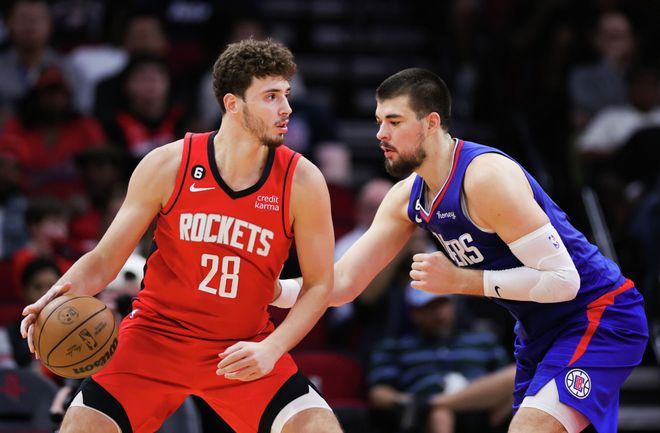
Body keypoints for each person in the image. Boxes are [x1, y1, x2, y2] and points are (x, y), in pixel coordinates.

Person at [275, 68, 648, 433]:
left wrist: (460, 280)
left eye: (394, 121)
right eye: (378, 122)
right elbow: (342, 283)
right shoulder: (406, 197)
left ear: (431, 123)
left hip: (598, 313)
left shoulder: (485, 178)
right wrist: (273, 290)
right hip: (538, 331)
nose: (381, 134)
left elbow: (564, 281)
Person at [21, 38, 342, 433]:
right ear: (233, 104)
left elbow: (320, 284)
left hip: (242, 346)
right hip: (154, 339)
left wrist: (273, 347)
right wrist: (57, 294)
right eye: (271, 96)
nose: (287, 108)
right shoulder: (169, 164)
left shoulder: (303, 181)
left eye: (286, 94)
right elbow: (105, 259)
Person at [367, 287, 509, 433]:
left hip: (483, 410)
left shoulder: (483, 340)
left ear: (453, 305)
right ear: (414, 313)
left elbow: (507, 380)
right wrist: (406, 401)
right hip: (426, 418)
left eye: (442, 303)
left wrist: (434, 402)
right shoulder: (396, 347)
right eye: (429, 307)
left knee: (517, 373)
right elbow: (378, 392)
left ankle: (435, 402)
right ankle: (436, 405)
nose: (438, 313)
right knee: (440, 414)